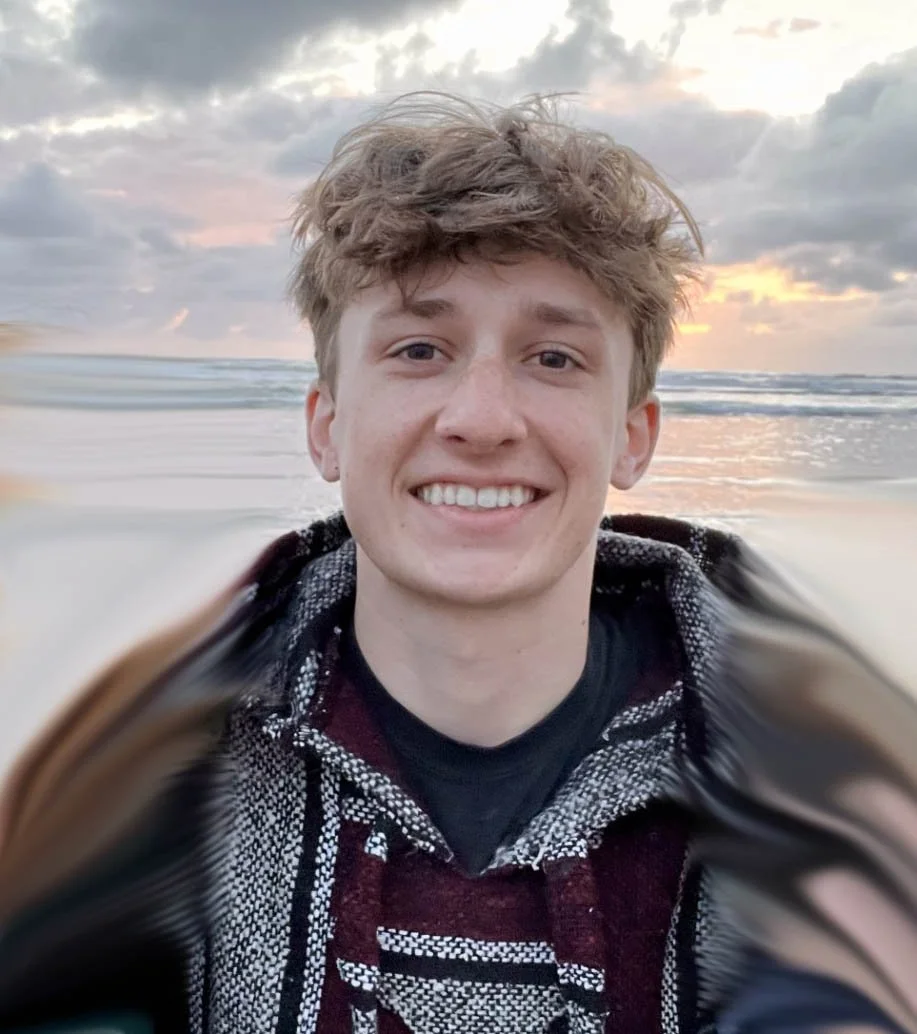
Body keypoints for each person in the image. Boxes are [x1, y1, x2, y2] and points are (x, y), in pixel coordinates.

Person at [0, 92, 903, 1034]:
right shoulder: (129, 768)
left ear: (632, 438)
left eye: (552, 359)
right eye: (419, 348)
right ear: (327, 425)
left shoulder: (829, 779)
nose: (480, 419)